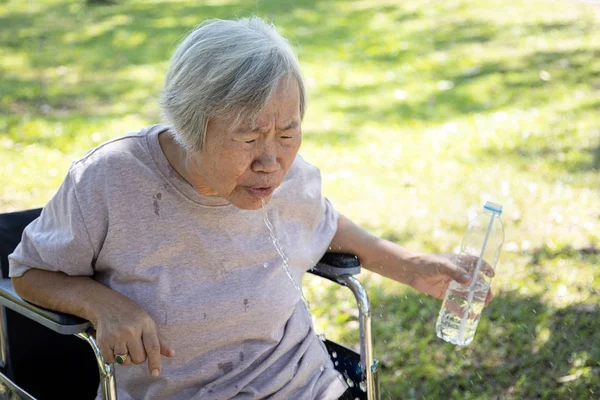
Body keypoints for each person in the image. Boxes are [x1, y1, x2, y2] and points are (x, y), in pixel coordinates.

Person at [8, 17, 490, 400]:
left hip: (303, 385)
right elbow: (29, 272)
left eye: (287, 134)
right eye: (247, 137)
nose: (271, 163)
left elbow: (321, 221)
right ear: (189, 126)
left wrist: (412, 266)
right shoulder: (109, 180)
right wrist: (101, 304)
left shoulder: (291, 179)